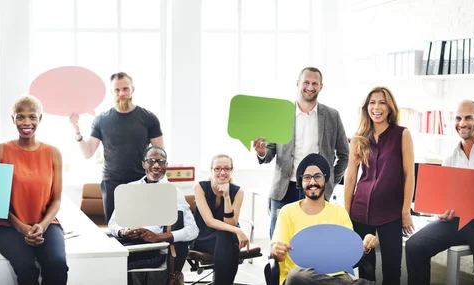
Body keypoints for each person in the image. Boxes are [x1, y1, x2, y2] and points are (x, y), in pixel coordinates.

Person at [406, 100, 474, 285]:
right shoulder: (450, 157)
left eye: (468, 118)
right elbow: (446, 198)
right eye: (458, 118)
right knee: (414, 246)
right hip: (456, 220)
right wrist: (443, 211)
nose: (462, 123)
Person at [253, 66, 349, 238]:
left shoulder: (332, 116)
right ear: (298, 84)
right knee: (279, 241)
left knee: (314, 241)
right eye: (306, 82)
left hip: (317, 189)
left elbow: (344, 155)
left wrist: (329, 182)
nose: (310, 87)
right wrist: (261, 152)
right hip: (284, 188)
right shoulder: (281, 114)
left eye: (315, 83)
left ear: (321, 86)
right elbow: (270, 153)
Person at [0, 95, 68, 285]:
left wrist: (41, 226)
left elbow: (56, 200)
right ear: (13, 119)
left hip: (45, 224)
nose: (26, 122)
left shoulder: (53, 153)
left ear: (40, 119)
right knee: (26, 268)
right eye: (20, 117)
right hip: (7, 226)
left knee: (57, 265)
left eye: (32, 117)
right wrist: (21, 227)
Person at [70, 72, 164, 223]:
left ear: (133, 89)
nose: (121, 93)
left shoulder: (148, 118)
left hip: (141, 181)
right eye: (117, 90)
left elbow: (160, 154)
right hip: (112, 183)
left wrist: (155, 181)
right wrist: (76, 130)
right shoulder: (101, 120)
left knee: (143, 229)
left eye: (125, 89)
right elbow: (87, 153)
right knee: (117, 231)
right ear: (111, 92)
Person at [343, 86, 414, 284]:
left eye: (382, 102)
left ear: (390, 108)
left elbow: (410, 175)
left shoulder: (402, 134)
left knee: (392, 269)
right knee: (364, 267)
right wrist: (346, 212)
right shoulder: (358, 139)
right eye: (372, 103)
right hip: (361, 211)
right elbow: (350, 178)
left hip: (391, 213)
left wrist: (405, 211)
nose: (377, 107)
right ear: (366, 108)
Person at [271, 153, 377, 285]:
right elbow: (278, 254)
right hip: (300, 280)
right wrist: (276, 252)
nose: (313, 182)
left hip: (336, 276)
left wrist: (364, 246)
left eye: (318, 176)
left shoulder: (339, 212)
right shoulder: (287, 212)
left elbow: (350, 256)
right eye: (307, 177)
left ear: (325, 179)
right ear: (301, 181)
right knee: (295, 275)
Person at [108, 146, 198, 285]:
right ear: (144, 164)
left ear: (166, 165)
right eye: (151, 161)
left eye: (161, 161)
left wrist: (159, 237)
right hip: (132, 245)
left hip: (159, 249)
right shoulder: (130, 189)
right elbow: (113, 223)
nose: (156, 165)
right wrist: (122, 232)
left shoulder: (173, 193)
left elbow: (193, 230)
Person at [192, 154, 248, 285]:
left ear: (231, 170)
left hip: (225, 240)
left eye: (226, 168)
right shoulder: (200, 187)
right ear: (211, 170)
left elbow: (231, 222)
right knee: (230, 239)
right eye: (217, 168)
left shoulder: (238, 192)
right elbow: (209, 221)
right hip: (203, 238)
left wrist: (227, 197)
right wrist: (238, 231)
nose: (222, 172)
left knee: (227, 236)